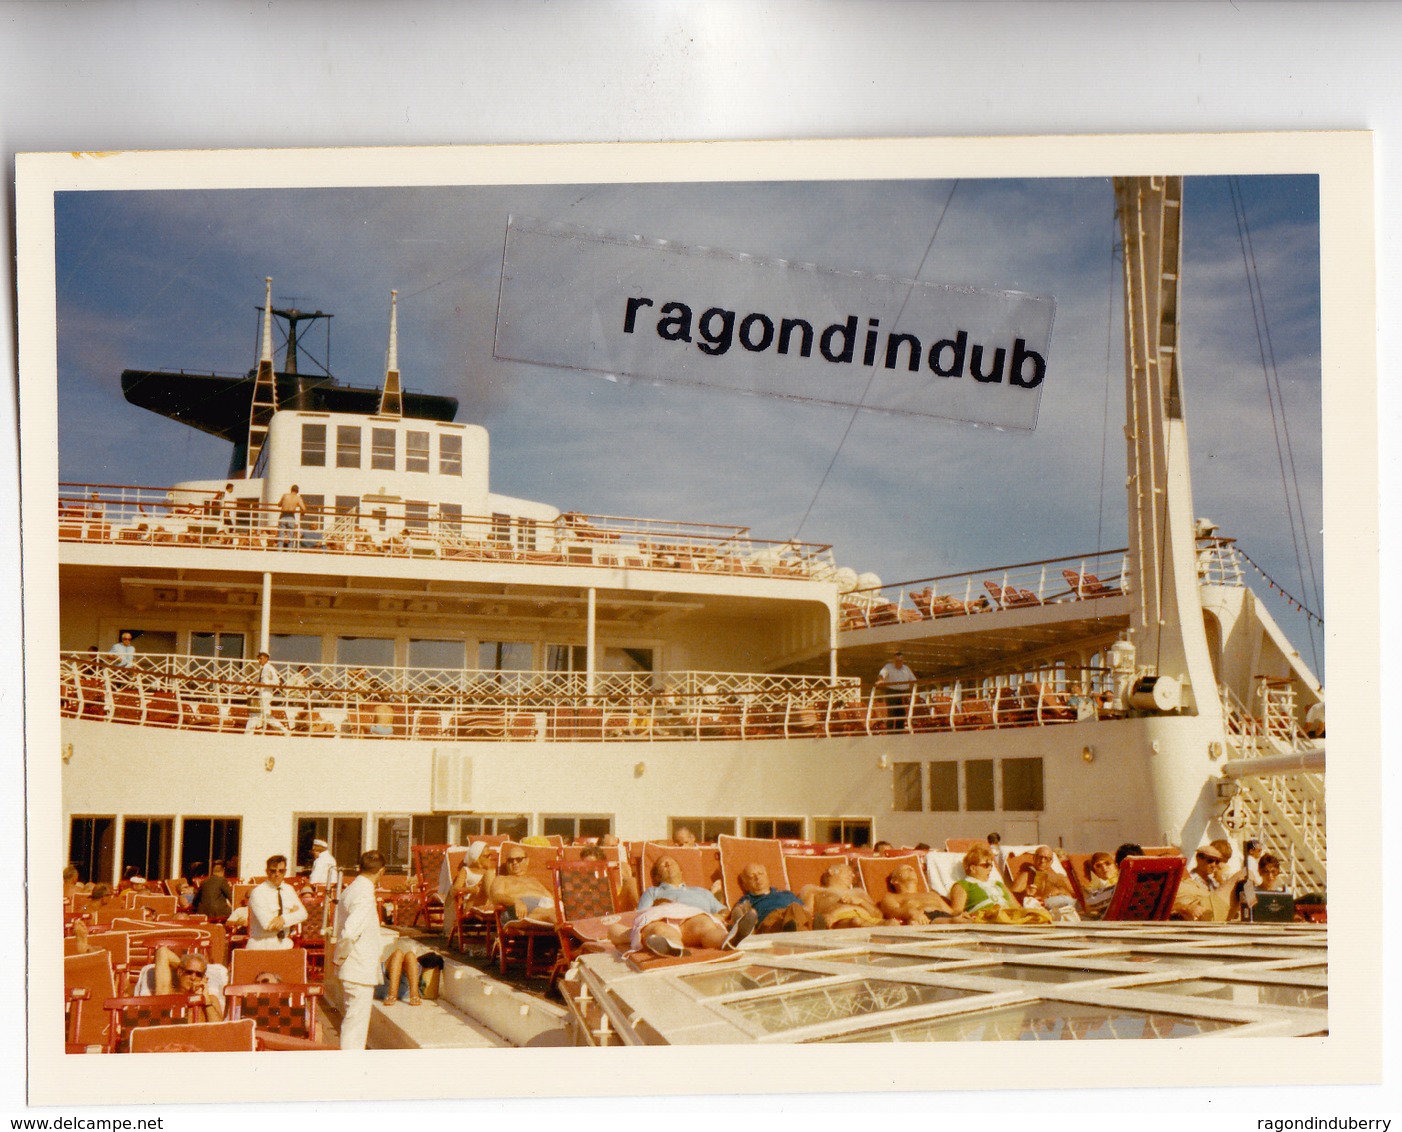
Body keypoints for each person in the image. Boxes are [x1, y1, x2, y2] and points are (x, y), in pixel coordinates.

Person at [608, 855, 752, 957]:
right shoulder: (653, 891)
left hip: (693, 920)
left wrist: (723, 916)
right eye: (663, 865)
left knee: (705, 925)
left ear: (681, 871)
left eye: (671, 862)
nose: (668, 864)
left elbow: (723, 911)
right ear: (657, 877)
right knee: (659, 928)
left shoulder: (701, 891)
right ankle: (673, 947)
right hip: (663, 917)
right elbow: (642, 915)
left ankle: (727, 940)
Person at [334, 850, 389, 1050]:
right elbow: (349, 933)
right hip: (358, 968)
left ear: (360, 867)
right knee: (355, 1027)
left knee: (352, 1023)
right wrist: (340, 958)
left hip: (354, 969)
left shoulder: (350, 889)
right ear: (381, 872)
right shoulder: (364, 894)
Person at [947, 843, 1051, 923]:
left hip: (1009, 917)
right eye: (986, 865)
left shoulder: (998, 884)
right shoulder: (962, 885)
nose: (990, 868)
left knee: (1044, 915)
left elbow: (1017, 907)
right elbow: (957, 912)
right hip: (988, 919)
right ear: (973, 868)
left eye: (991, 865)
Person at [140, 945, 227, 1021]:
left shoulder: (210, 1000)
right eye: (189, 972)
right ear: (180, 972)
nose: (193, 978)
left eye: (198, 974)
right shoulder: (166, 994)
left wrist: (207, 1001)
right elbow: (162, 952)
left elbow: (219, 1030)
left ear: (203, 978)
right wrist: (182, 967)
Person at [247, 855, 308, 949]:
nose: (277, 874)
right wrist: (293, 915)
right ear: (267, 871)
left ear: (285, 872)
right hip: (261, 945)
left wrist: (283, 918)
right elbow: (268, 924)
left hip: (284, 944)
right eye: (273, 871)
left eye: (281, 871)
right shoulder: (258, 892)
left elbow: (303, 914)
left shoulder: (289, 890)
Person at [485, 845, 556, 923]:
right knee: (553, 916)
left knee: (559, 914)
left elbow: (551, 897)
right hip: (519, 909)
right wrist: (516, 901)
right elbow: (496, 896)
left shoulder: (534, 880)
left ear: (527, 861)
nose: (514, 863)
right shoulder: (501, 879)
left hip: (545, 906)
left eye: (519, 859)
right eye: (510, 860)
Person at [731, 863, 810, 933]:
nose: (757, 878)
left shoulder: (786, 893)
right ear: (745, 885)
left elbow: (805, 910)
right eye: (751, 876)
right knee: (796, 922)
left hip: (793, 916)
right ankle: (794, 929)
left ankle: (792, 929)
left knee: (795, 908)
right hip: (771, 922)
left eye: (760, 874)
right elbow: (738, 914)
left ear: (767, 877)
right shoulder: (748, 899)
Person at [804, 862, 885, 929]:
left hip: (868, 919)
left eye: (852, 873)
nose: (852, 875)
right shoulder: (815, 891)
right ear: (831, 871)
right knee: (856, 921)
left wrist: (861, 902)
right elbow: (806, 914)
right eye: (847, 871)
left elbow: (878, 915)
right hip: (839, 920)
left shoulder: (859, 893)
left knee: (892, 922)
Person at [878, 863, 955, 924]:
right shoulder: (892, 897)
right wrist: (911, 912)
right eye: (905, 869)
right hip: (926, 920)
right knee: (957, 921)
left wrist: (963, 914)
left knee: (960, 920)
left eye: (912, 869)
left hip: (947, 918)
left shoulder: (932, 894)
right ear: (894, 880)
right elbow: (891, 911)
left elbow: (952, 912)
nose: (911, 869)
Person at [1009, 846, 1077, 912]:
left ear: (1051, 862)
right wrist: (1025, 894)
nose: (1042, 861)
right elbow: (1011, 896)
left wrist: (1059, 891)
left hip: (1058, 906)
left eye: (1046, 858)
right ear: (1034, 858)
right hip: (1036, 906)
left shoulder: (1058, 877)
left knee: (1068, 900)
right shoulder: (1026, 875)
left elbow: (1073, 896)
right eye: (1039, 857)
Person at [1172, 844, 1229, 922]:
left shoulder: (1213, 881)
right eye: (1210, 861)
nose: (1213, 865)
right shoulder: (1189, 880)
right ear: (1199, 859)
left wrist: (1221, 881)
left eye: (1217, 862)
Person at [246, 652, 288, 734]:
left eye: (261, 658)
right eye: (258, 658)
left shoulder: (269, 668)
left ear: (266, 659)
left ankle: (248, 733)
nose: (259, 660)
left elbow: (277, 682)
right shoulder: (262, 669)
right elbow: (257, 682)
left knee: (256, 713)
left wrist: (266, 683)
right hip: (261, 694)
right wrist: (247, 688)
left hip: (266, 694)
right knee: (267, 715)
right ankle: (284, 731)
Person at [874, 650, 916, 731]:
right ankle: (890, 731)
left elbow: (913, 680)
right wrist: (881, 680)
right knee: (892, 712)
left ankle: (899, 731)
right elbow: (881, 675)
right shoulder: (888, 667)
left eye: (900, 661)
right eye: (897, 661)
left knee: (902, 713)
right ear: (894, 660)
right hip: (891, 692)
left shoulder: (906, 669)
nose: (898, 663)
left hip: (903, 693)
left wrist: (912, 692)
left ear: (903, 661)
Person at [276, 484, 307, 549]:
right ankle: (290, 550)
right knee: (291, 534)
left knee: (281, 534)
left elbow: (279, 504)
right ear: (297, 491)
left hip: (283, 515)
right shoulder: (298, 498)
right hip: (291, 516)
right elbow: (304, 509)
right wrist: (302, 513)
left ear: (291, 490)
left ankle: (279, 549)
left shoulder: (285, 496)